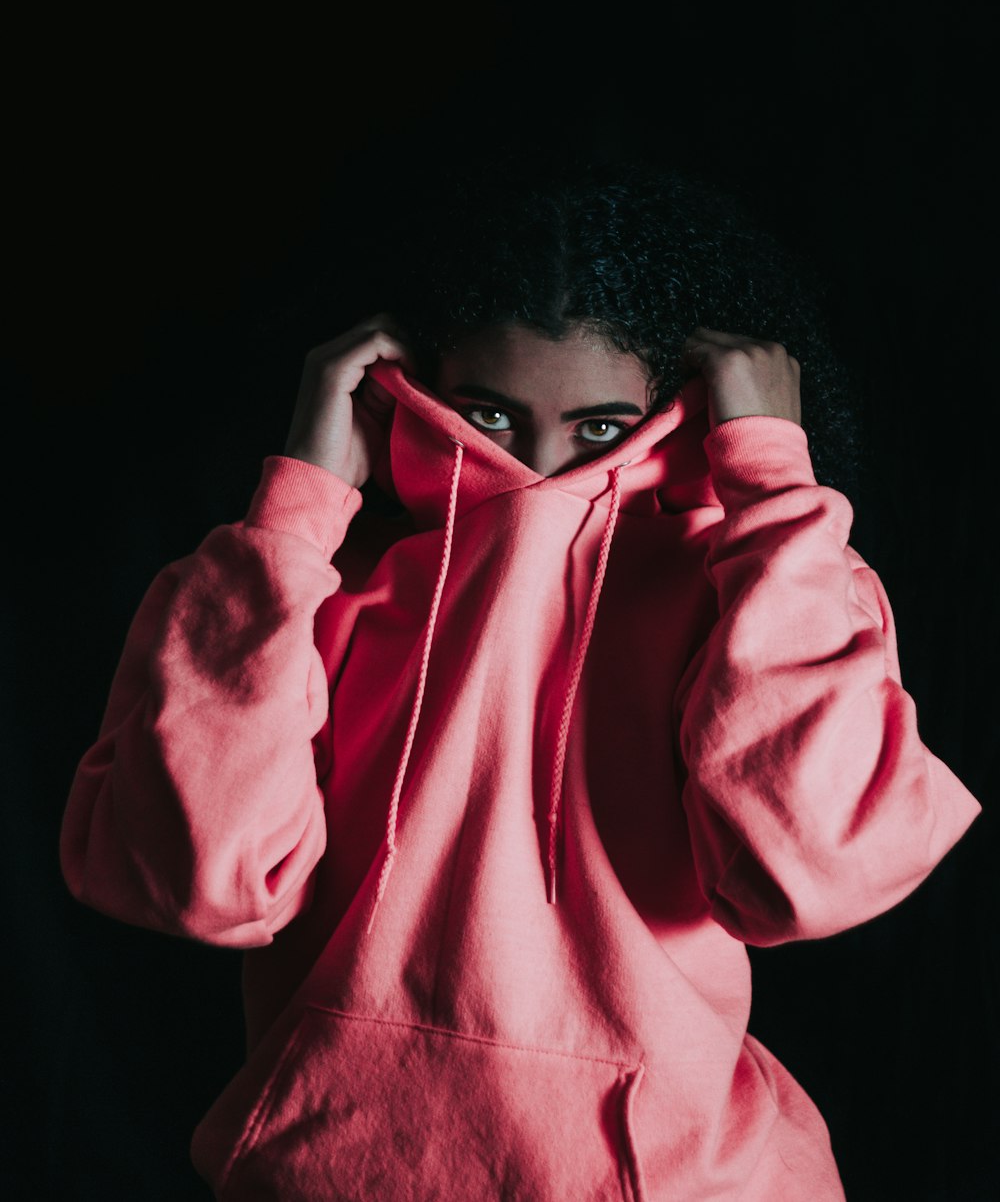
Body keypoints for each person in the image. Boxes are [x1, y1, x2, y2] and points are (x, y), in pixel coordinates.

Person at [59, 155, 981, 1200]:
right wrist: (296, 508)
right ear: (404, 394)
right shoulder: (292, 590)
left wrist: (771, 481)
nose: (537, 475)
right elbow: (194, 882)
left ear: (674, 415)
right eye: (490, 417)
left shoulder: (769, 586)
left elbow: (809, 872)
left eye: (600, 429)